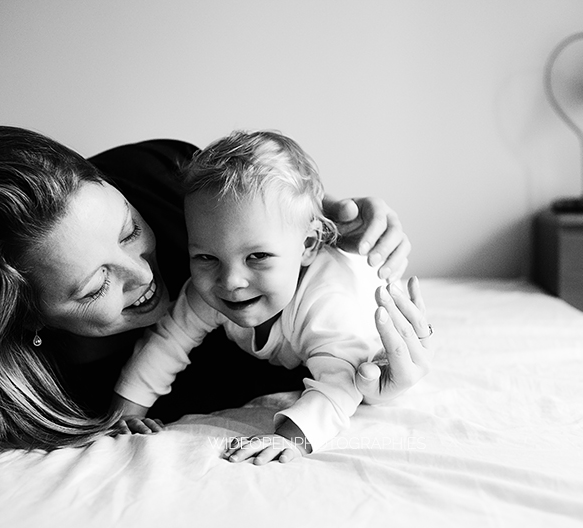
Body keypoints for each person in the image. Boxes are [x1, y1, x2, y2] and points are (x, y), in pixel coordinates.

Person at [0, 125, 432, 450]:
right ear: (27, 318)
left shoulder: (158, 175)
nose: (147, 275)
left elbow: (265, 201)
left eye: (129, 230)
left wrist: (344, 222)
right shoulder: (49, 393)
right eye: (96, 286)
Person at [112, 131, 434, 464]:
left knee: (358, 370)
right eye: (206, 257)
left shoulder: (328, 305)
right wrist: (125, 412)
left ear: (308, 245)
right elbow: (168, 341)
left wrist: (289, 439)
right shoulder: (205, 290)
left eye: (258, 257)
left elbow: (341, 384)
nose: (231, 281)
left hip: (372, 335)